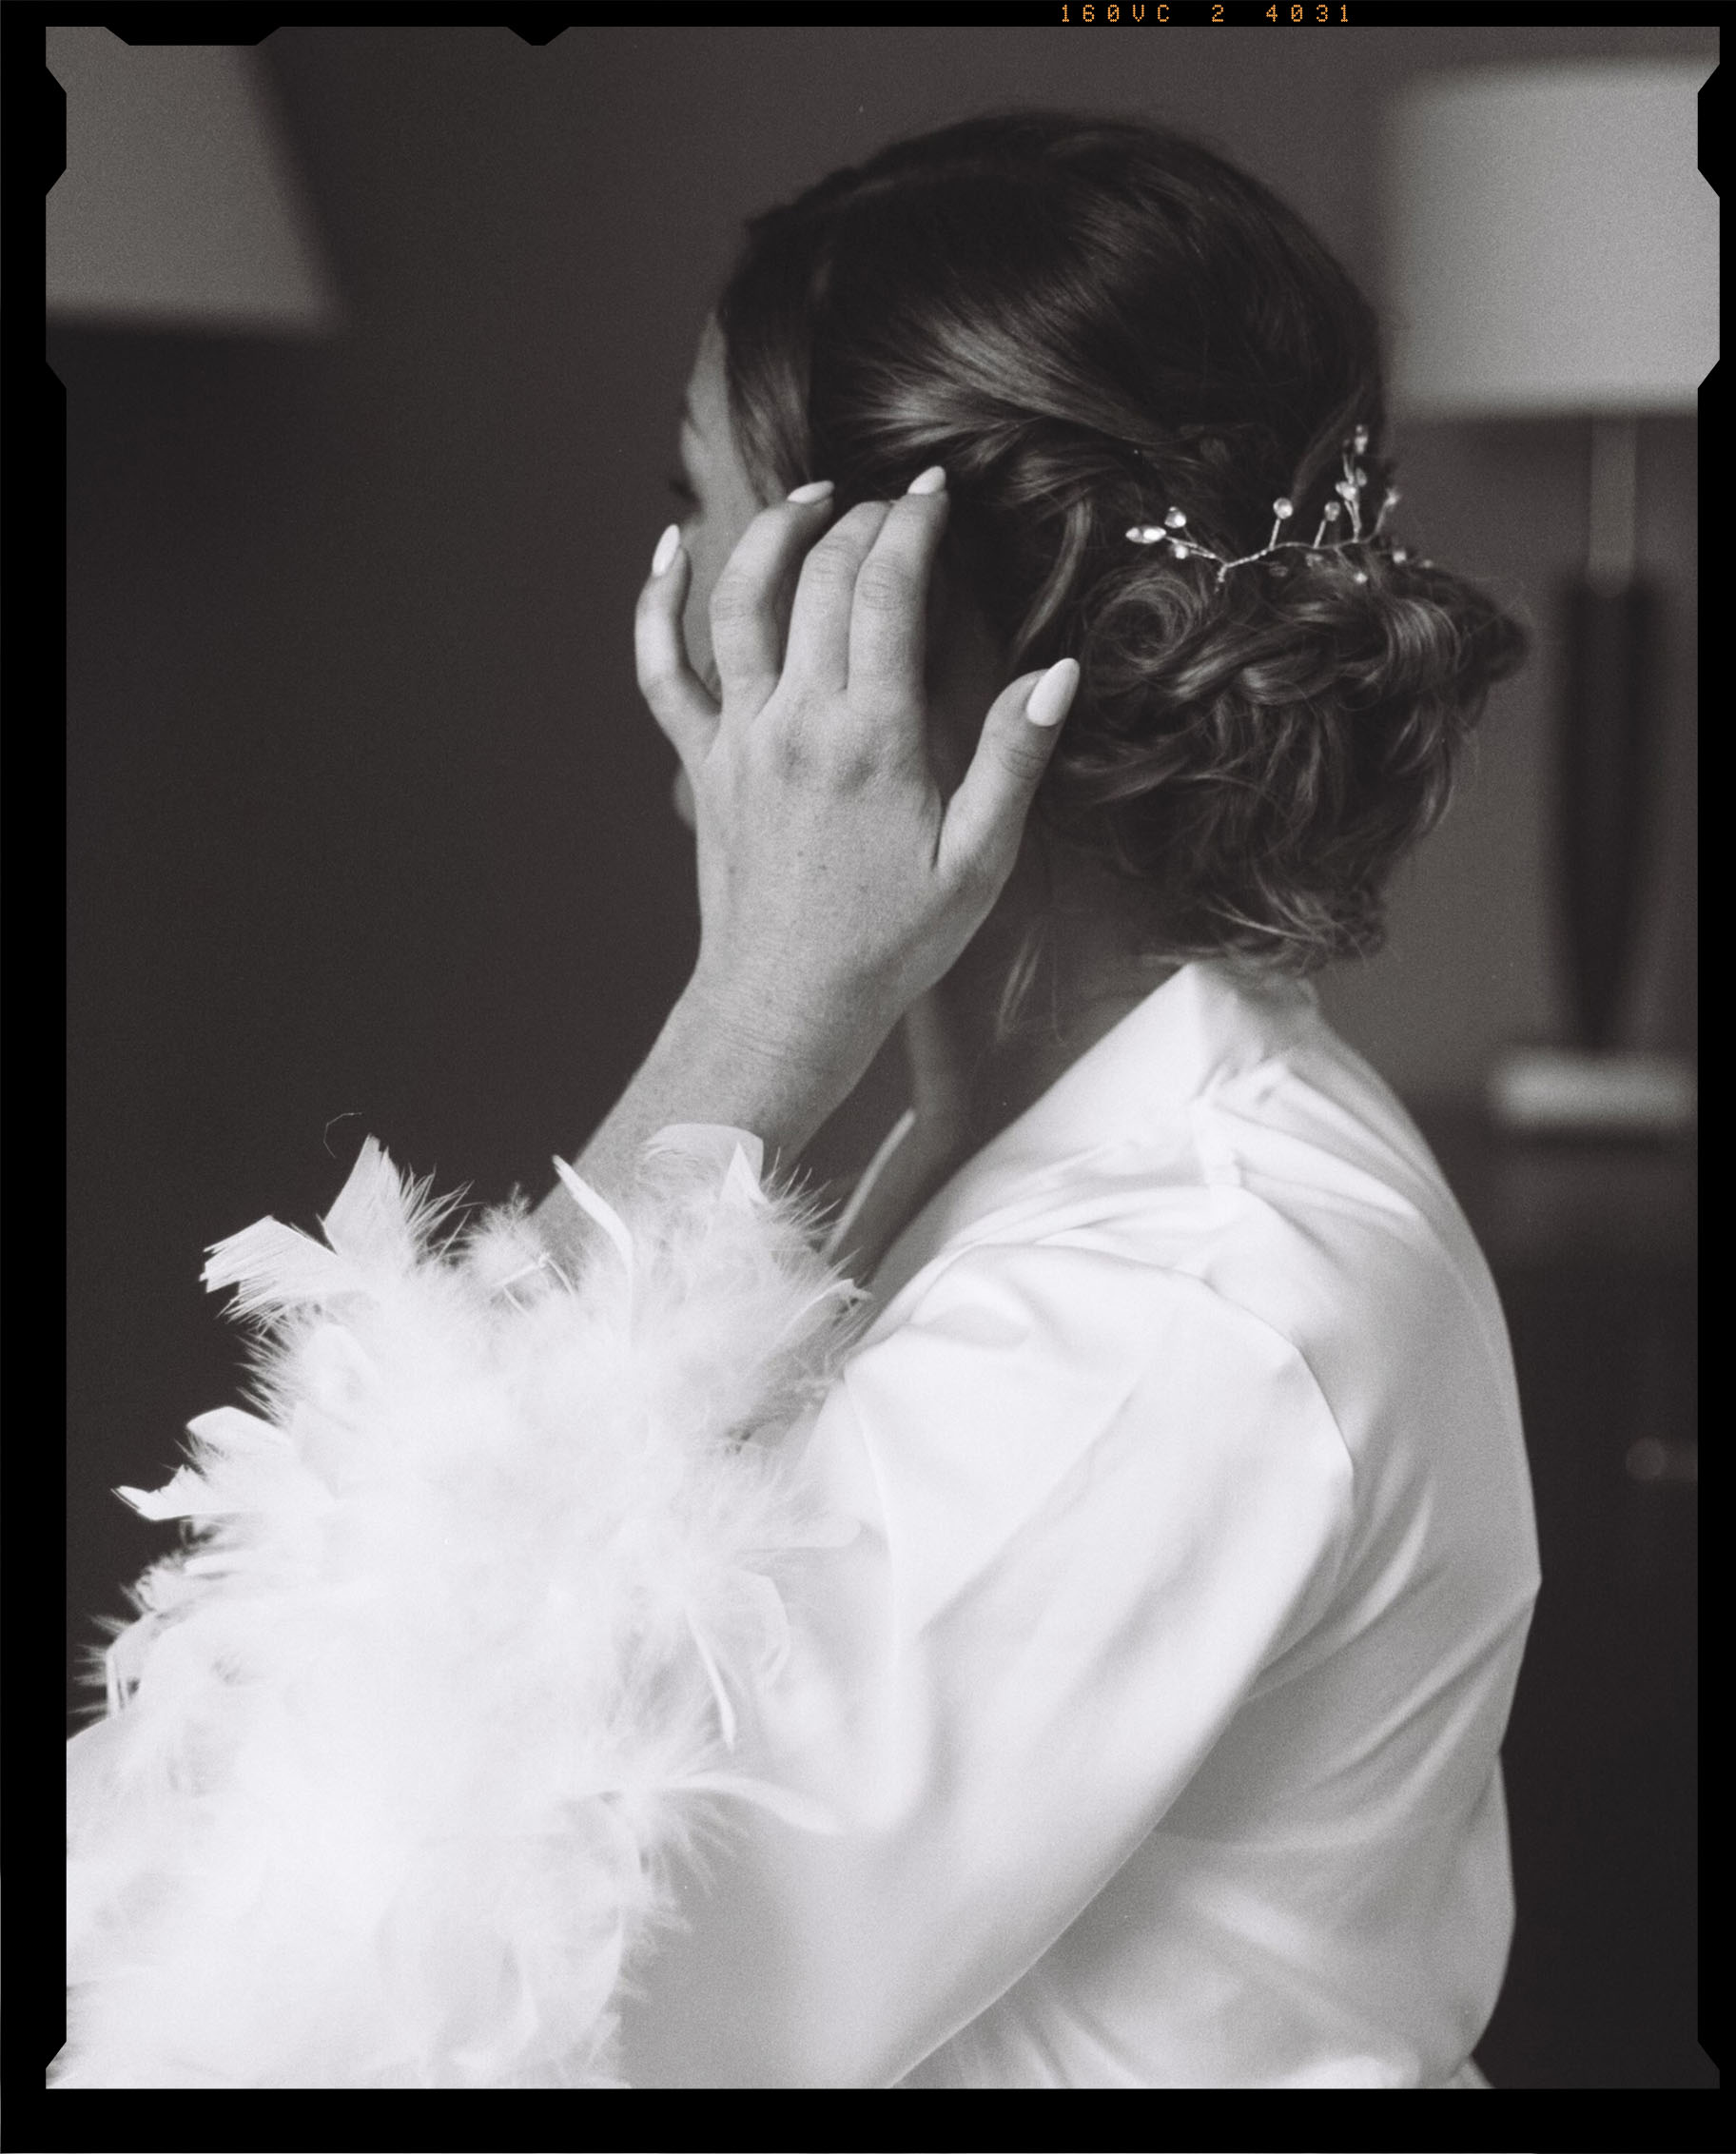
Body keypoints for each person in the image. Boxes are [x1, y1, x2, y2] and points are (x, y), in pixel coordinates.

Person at [60, 111, 1538, 2090]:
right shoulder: (1007, 1137)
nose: (667, 629)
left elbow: (421, 1978)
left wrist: (751, 1013)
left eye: (707, 518)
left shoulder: (1190, 1298)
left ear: (895, 625)